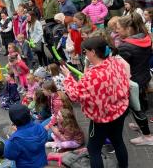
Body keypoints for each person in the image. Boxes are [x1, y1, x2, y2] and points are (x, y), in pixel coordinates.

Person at [62, 37, 129, 168]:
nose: (84, 54)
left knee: (93, 150)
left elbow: (75, 95)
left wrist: (68, 78)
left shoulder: (93, 75)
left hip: (103, 118)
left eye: (85, 51)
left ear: (92, 52)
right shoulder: (115, 62)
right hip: (120, 110)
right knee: (118, 141)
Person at [117, 13, 153, 145]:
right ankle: (141, 126)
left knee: (136, 108)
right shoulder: (146, 37)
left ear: (128, 29)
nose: (117, 31)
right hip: (144, 76)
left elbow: (122, 69)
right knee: (142, 103)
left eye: (119, 28)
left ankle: (148, 137)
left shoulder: (125, 46)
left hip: (133, 81)